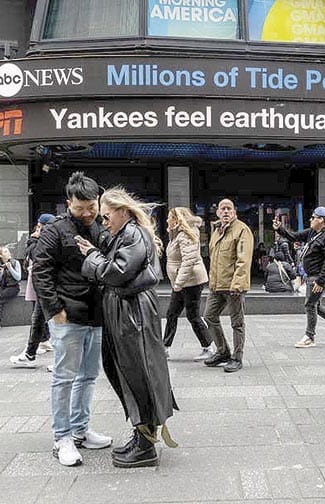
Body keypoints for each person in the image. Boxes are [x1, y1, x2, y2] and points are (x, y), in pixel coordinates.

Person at [78, 187, 178, 469]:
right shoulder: (126, 234)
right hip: (126, 311)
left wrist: (92, 257)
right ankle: (141, 435)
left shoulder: (134, 234)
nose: (103, 220)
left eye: (107, 215)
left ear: (123, 211)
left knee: (138, 374)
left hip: (132, 313)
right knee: (130, 374)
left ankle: (146, 444)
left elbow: (116, 273)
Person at [31, 171, 112, 467]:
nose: (88, 213)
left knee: (89, 376)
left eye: (92, 206)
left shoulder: (103, 227)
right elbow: (40, 271)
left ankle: (80, 429)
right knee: (64, 378)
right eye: (81, 208)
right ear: (69, 203)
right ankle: (62, 437)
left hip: (97, 315)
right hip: (67, 315)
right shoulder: (55, 230)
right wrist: (55, 310)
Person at [274, 206, 325, 348]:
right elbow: (294, 236)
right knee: (316, 305)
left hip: (318, 277)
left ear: (321, 220)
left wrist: (321, 281)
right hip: (311, 276)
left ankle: (310, 336)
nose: (311, 219)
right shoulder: (312, 232)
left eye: (313, 217)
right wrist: (280, 229)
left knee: (310, 304)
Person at [203, 198, 254, 373]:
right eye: (222, 209)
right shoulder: (217, 231)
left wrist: (238, 284)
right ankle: (223, 351)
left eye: (229, 209)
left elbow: (243, 259)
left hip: (234, 286)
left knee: (237, 323)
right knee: (209, 316)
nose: (225, 211)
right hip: (216, 285)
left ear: (234, 212)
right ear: (218, 212)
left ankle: (237, 358)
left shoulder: (242, 230)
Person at [162, 207, 215, 361]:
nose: (167, 220)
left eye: (169, 217)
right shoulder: (177, 234)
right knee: (172, 314)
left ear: (177, 219)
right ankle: (164, 347)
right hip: (182, 282)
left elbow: (189, 260)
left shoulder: (185, 235)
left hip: (190, 282)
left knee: (193, 315)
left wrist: (178, 282)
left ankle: (208, 347)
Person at [11, 213, 57, 368]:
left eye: (39, 225)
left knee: (52, 322)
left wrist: (33, 239)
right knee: (38, 319)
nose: (38, 228)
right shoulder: (49, 237)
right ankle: (30, 352)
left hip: (49, 287)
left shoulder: (46, 239)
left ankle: (55, 358)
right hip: (44, 286)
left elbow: (36, 254)